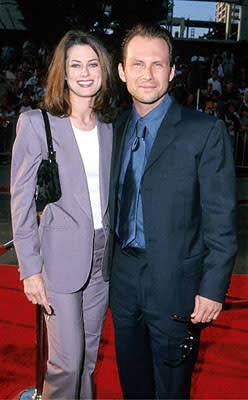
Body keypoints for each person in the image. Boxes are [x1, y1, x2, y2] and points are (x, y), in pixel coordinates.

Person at [108, 23, 237, 400]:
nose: (147, 75)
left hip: (176, 283)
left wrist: (213, 290)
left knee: (171, 389)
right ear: (121, 71)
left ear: (172, 70)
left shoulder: (205, 131)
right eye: (137, 64)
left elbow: (221, 220)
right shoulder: (113, 128)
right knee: (132, 383)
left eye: (157, 64)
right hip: (123, 276)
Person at [11, 30, 116, 399]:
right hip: (57, 259)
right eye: (75, 65)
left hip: (104, 259)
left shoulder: (111, 126)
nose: (84, 72)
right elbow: (21, 202)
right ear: (64, 72)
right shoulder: (37, 124)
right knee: (66, 362)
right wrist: (30, 268)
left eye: (92, 64)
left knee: (86, 360)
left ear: (104, 70)